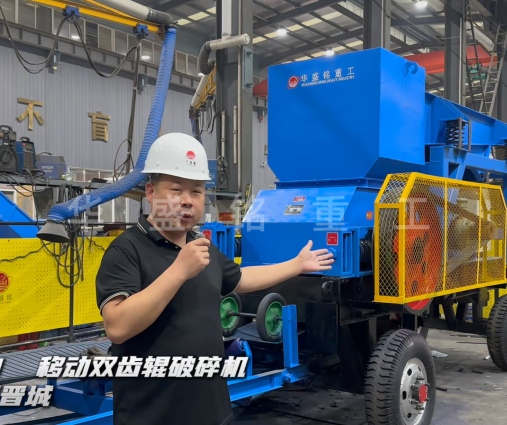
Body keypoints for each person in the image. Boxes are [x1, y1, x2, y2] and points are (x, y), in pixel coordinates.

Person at [96, 133, 334, 425]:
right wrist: (179, 271)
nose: (187, 201)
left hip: (212, 410)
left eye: (196, 191)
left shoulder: (202, 246)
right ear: (150, 192)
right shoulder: (127, 250)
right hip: (153, 414)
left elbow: (241, 279)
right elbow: (118, 326)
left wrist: (296, 265)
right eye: (176, 189)